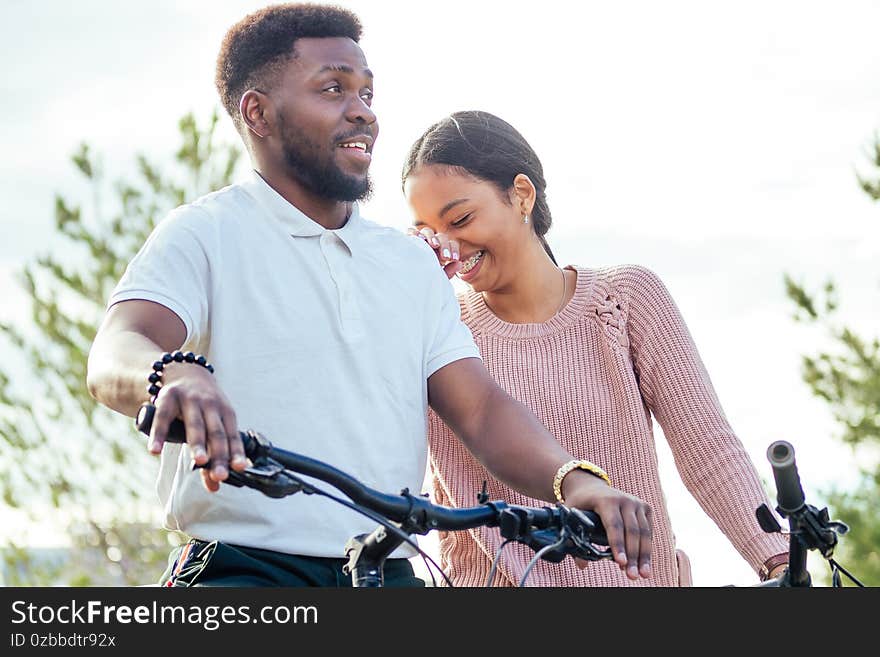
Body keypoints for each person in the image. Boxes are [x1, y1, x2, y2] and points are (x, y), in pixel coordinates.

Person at [86, 4, 653, 587]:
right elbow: (117, 349)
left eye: (367, 93)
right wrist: (173, 374)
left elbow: (482, 411)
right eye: (332, 89)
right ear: (257, 112)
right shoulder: (204, 232)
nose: (362, 112)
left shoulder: (408, 265)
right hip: (244, 569)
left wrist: (575, 480)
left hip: (390, 571)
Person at [402, 110, 790, 586]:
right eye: (428, 231)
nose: (449, 245)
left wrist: (778, 558)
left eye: (460, 219)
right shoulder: (434, 330)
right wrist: (407, 287)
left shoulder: (624, 300)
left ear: (522, 195)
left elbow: (707, 447)